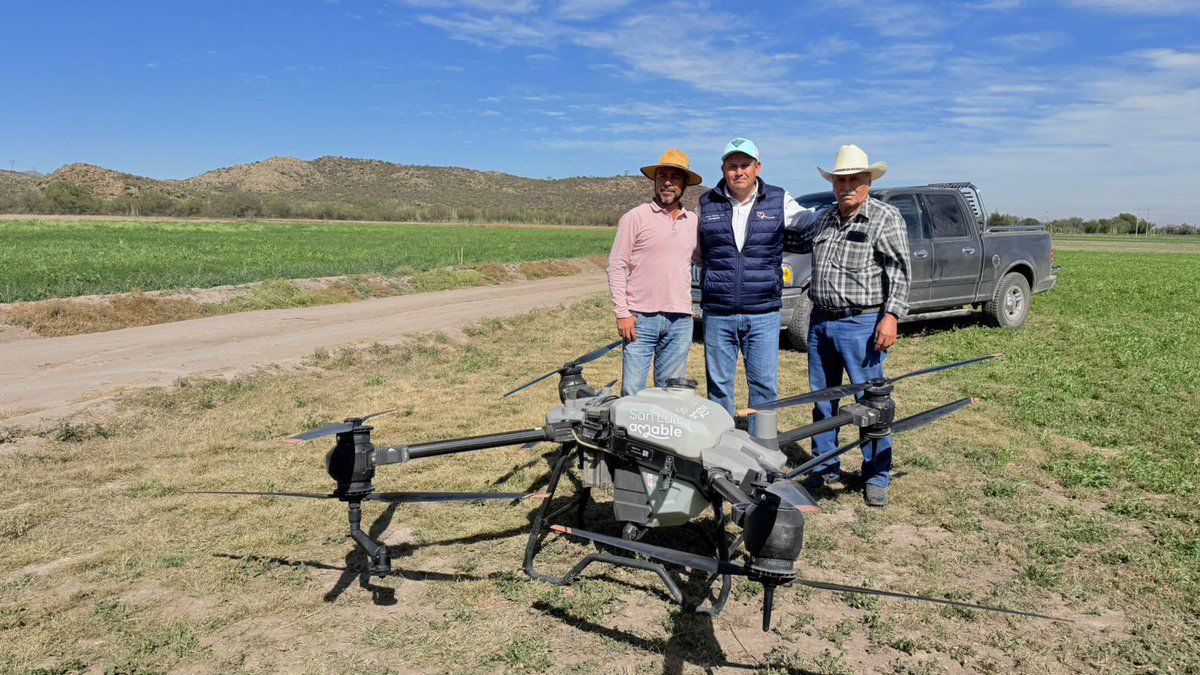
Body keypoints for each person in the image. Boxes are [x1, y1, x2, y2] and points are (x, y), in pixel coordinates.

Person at [804, 144, 912, 507]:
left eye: (854, 179)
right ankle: (823, 467)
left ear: (868, 180)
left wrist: (891, 316)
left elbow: (899, 272)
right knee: (822, 401)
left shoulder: (884, 218)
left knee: (871, 402)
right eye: (840, 180)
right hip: (821, 322)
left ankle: (876, 475)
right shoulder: (824, 218)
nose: (846, 186)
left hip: (862, 324)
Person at [697, 138, 818, 433]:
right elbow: (696, 248)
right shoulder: (706, 203)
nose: (738, 172)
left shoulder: (777, 199)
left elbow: (808, 220)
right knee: (719, 386)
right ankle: (721, 444)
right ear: (723, 169)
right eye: (732, 166)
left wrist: (836, 212)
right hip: (718, 312)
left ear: (757, 168)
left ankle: (761, 443)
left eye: (745, 165)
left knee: (764, 386)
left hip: (763, 313)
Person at [607, 149, 703, 395]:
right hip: (640, 319)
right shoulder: (635, 217)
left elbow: (702, 260)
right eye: (662, 177)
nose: (668, 183)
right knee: (633, 393)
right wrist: (622, 313)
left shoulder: (693, 222)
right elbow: (616, 266)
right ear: (655, 181)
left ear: (684, 184)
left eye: (675, 177)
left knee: (670, 395)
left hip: (680, 320)